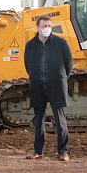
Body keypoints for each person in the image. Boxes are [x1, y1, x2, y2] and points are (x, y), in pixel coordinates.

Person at [23, 14, 74, 162]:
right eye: (44, 26)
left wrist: (61, 77)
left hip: (56, 86)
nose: (47, 29)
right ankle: (38, 151)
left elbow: (68, 64)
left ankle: (63, 151)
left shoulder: (61, 43)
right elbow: (28, 65)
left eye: (49, 26)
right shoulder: (30, 45)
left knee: (60, 121)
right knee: (38, 120)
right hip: (38, 86)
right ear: (37, 27)